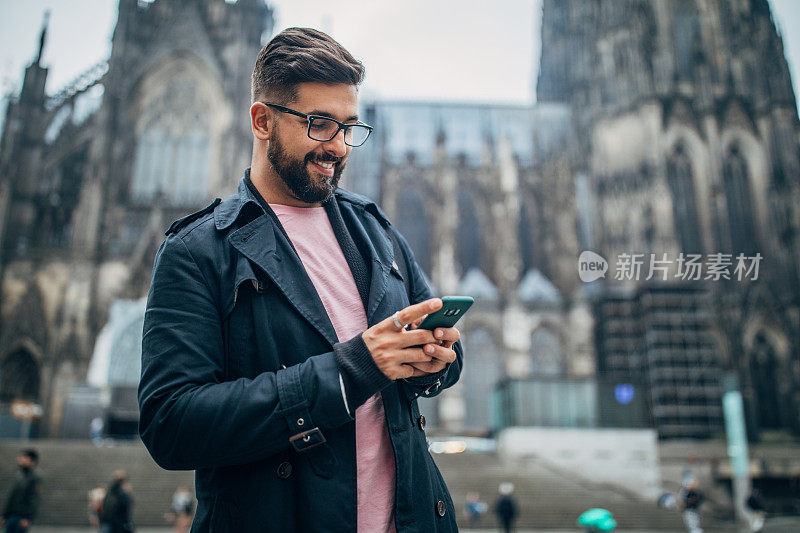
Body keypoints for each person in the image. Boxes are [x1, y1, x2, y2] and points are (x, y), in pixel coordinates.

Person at [137, 27, 464, 532]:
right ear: (262, 120)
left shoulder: (375, 231)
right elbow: (171, 424)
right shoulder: (197, 251)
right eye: (319, 124)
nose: (338, 146)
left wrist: (435, 358)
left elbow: (438, 352)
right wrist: (350, 369)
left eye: (349, 127)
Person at [0, 449, 41, 533]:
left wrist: (28, 518)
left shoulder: (35, 477)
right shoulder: (19, 475)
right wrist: (4, 515)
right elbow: (11, 497)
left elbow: (34, 499)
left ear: (31, 460)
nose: (19, 459)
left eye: (23, 457)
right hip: (11, 516)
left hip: (21, 517)